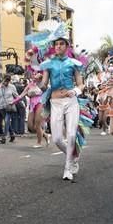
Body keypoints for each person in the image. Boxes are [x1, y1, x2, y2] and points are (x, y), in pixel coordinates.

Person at [36, 29, 85, 180]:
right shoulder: (48, 64)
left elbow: (81, 84)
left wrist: (76, 91)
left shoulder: (74, 63)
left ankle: (67, 168)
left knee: (70, 135)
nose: (58, 46)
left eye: (61, 44)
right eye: (56, 44)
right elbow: (44, 85)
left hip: (71, 102)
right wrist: (38, 81)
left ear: (67, 46)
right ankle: (74, 155)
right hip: (55, 102)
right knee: (57, 139)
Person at [14, 71, 49, 147]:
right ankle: (45, 135)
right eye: (32, 74)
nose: (33, 75)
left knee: (37, 124)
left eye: (35, 74)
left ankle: (39, 143)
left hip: (40, 103)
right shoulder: (29, 85)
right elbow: (22, 94)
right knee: (30, 126)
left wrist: (40, 80)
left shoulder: (42, 84)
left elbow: (46, 91)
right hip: (32, 105)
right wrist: (13, 102)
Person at [0, 75, 18, 143]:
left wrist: (13, 102)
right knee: (7, 122)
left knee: (6, 121)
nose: (6, 82)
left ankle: (4, 137)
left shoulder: (12, 87)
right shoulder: (0, 87)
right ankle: (12, 134)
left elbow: (16, 96)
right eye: (5, 80)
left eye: (8, 81)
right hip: (1, 106)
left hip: (9, 106)